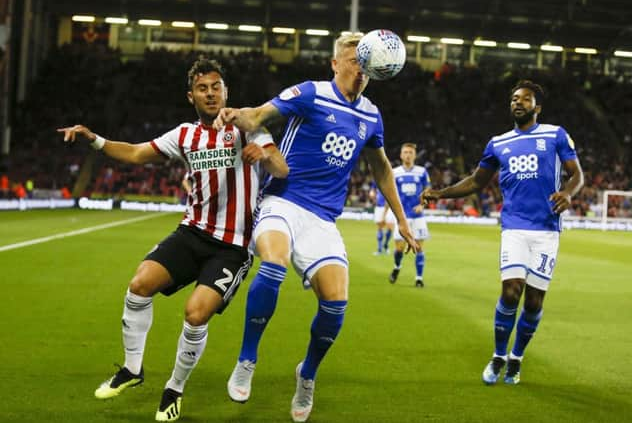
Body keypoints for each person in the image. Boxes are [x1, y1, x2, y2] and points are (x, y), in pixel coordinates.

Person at [57, 57, 288, 422]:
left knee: (195, 314)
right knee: (139, 285)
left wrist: (264, 154)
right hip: (192, 232)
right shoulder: (184, 135)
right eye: (202, 88)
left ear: (226, 91)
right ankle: (133, 370)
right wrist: (95, 140)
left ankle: (174, 389)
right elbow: (134, 153)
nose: (210, 94)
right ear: (191, 96)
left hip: (232, 247)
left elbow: (281, 169)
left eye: (216, 87)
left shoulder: (249, 125)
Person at [213, 34, 419, 422]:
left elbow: (381, 169)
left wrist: (402, 221)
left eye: (365, 60)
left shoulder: (371, 115)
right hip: (283, 202)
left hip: (323, 219)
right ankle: (246, 359)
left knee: (336, 304)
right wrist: (233, 113)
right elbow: (257, 115)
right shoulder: (310, 93)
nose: (359, 65)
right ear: (335, 63)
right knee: (272, 265)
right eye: (352, 58)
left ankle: (306, 374)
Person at [422, 80, 584, 385]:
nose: (518, 102)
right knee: (511, 290)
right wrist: (440, 193)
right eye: (514, 98)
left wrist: (569, 193)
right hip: (514, 227)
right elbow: (475, 182)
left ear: (537, 107)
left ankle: (516, 358)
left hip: (547, 230)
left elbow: (577, 174)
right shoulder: (498, 143)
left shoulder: (555, 134)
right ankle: (498, 356)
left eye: (525, 99)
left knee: (534, 302)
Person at [388, 143, 431, 287]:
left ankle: (419, 278)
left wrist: (423, 205)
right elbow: (390, 193)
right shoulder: (394, 172)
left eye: (410, 152)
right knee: (399, 248)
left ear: (414, 155)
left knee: (419, 248)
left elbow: (428, 191)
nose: (407, 155)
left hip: (418, 217)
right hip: (402, 217)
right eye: (405, 152)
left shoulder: (422, 172)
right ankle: (397, 267)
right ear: (401, 155)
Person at [369, 180, 395, 255]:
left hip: (389, 206)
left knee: (390, 227)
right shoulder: (376, 179)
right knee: (380, 226)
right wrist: (372, 194)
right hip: (379, 206)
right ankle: (380, 249)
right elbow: (372, 190)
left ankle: (386, 245)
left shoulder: (390, 179)